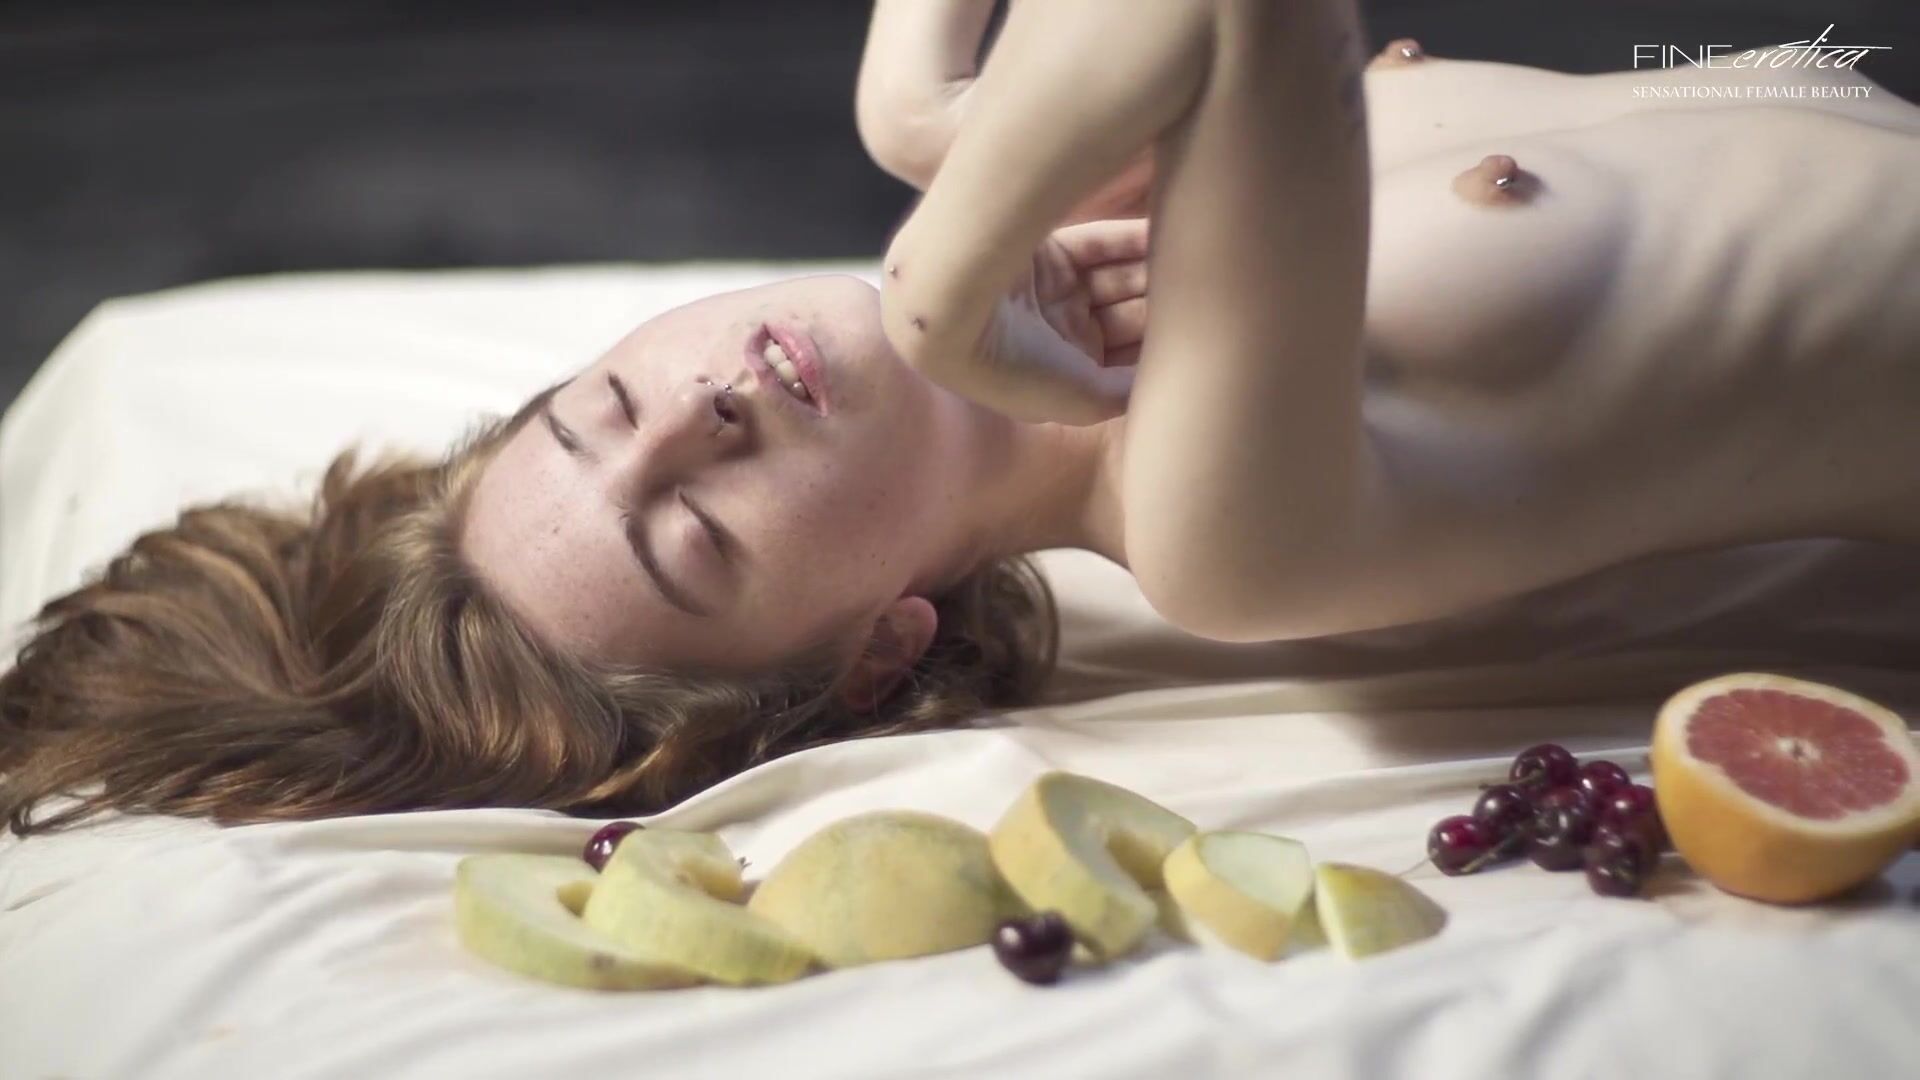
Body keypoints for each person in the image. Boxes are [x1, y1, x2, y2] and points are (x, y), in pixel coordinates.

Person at [4, 0, 1915, 835]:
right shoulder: (1223, 532)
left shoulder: (1091, 196)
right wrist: (940, 207)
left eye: (608, 404)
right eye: (695, 531)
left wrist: (930, 111)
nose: (701, 412)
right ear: (872, 652)